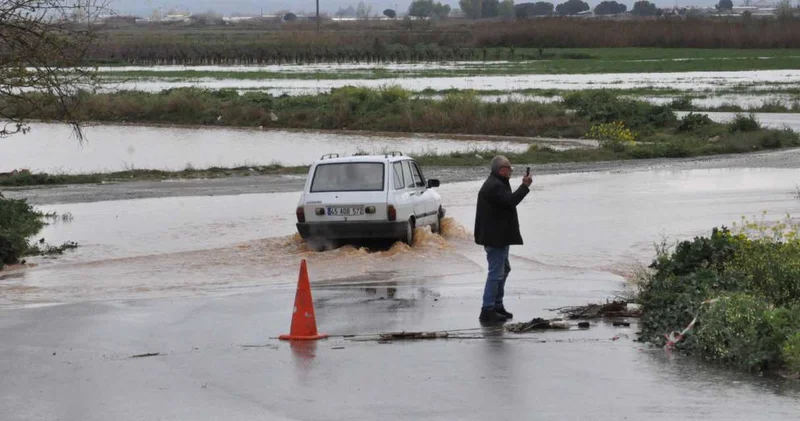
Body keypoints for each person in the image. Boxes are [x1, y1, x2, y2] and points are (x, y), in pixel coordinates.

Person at [474, 156, 532, 323]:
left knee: (504, 270)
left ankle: (497, 306)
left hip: (499, 236)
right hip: (494, 238)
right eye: (508, 168)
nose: (511, 171)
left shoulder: (498, 182)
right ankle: (487, 310)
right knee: (496, 273)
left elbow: (507, 202)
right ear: (500, 170)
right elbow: (510, 201)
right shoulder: (493, 186)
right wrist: (525, 186)